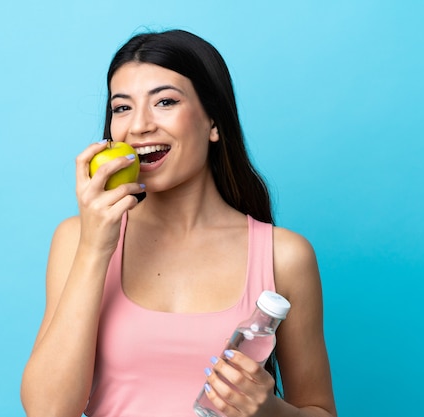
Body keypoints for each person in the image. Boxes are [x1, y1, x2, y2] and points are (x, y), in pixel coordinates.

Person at [21, 29, 337, 417]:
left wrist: (270, 411)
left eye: (165, 102)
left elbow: (319, 409)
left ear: (214, 122)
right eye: (122, 108)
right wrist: (95, 247)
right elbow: (47, 411)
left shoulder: (283, 256)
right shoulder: (76, 240)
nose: (138, 126)